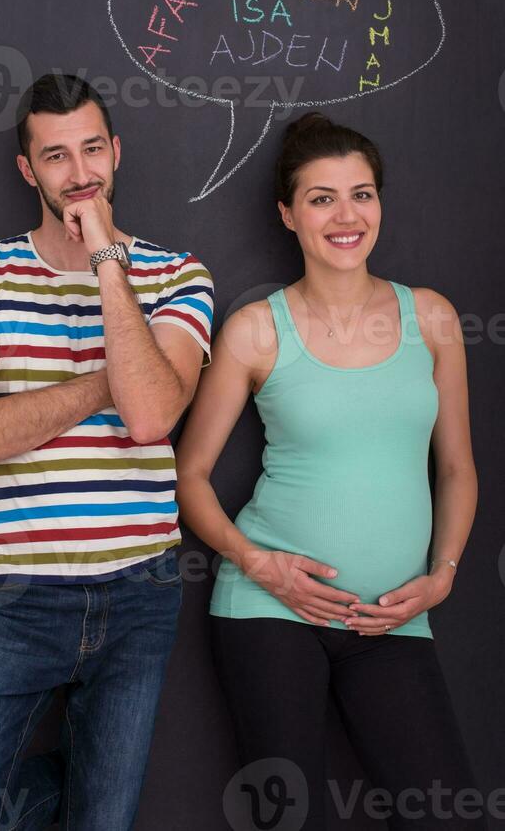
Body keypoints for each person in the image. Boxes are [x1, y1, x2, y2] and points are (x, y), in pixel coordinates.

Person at [0, 73, 214, 831]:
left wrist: (109, 259)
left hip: (140, 595)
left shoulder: (179, 275)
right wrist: (103, 381)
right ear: (27, 169)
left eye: (91, 150)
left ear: (116, 151)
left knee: (99, 823)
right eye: (55, 156)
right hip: (14, 598)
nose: (79, 175)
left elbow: (150, 418)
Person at [175, 112, 485, 829]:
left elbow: (459, 467)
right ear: (288, 213)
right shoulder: (256, 329)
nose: (347, 216)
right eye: (322, 198)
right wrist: (258, 564)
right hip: (268, 611)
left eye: (362, 194)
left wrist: (442, 573)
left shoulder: (432, 319)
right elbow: (189, 475)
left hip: (390, 618)